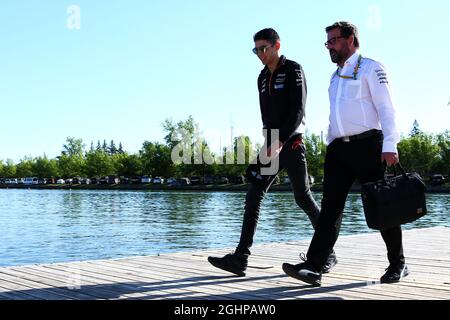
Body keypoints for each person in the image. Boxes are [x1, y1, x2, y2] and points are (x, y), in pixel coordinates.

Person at [282, 22, 408, 287]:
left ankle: (398, 263)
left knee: (381, 206)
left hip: (369, 146)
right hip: (338, 149)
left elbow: (387, 109)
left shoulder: (372, 67)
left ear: (351, 39)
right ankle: (315, 266)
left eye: (334, 41)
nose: (329, 46)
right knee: (330, 209)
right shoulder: (335, 76)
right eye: (327, 42)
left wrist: (390, 145)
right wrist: (331, 141)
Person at [208, 28, 337, 277]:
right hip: (271, 144)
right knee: (254, 194)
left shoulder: (293, 69)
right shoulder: (260, 77)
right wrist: (265, 149)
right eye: (255, 49)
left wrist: (280, 140)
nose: (260, 54)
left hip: (291, 143)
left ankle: (327, 252)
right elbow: (266, 116)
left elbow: (298, 110)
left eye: (264, 48)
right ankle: (240, 258)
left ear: (277, 45)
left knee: (303, 197)